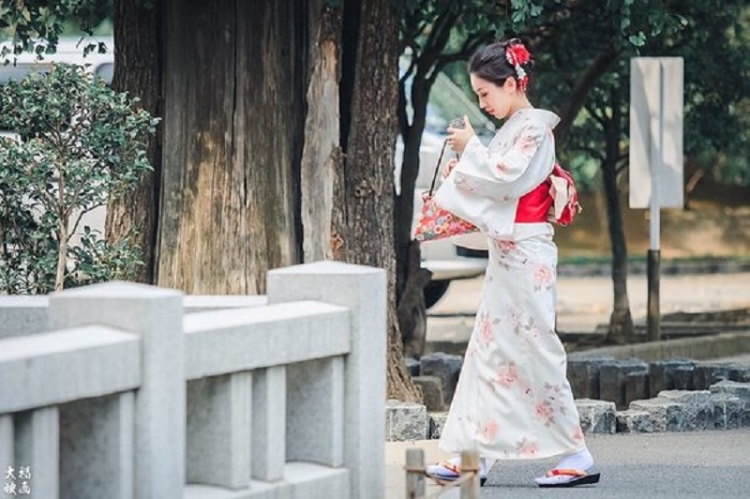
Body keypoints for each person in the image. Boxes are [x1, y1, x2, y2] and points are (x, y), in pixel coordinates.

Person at [425, 38, 600, 488]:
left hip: (526, 253)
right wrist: (468, 163)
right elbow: (495, 179)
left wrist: (470, 150)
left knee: (536, 348)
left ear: (510, 83)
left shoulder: (535, 129)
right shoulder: (516, 129)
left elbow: (505, 180)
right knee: (489, 350)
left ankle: (576, 453)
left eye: (485, 93)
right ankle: (476, 455)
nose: (483, 103)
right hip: (510, 253)